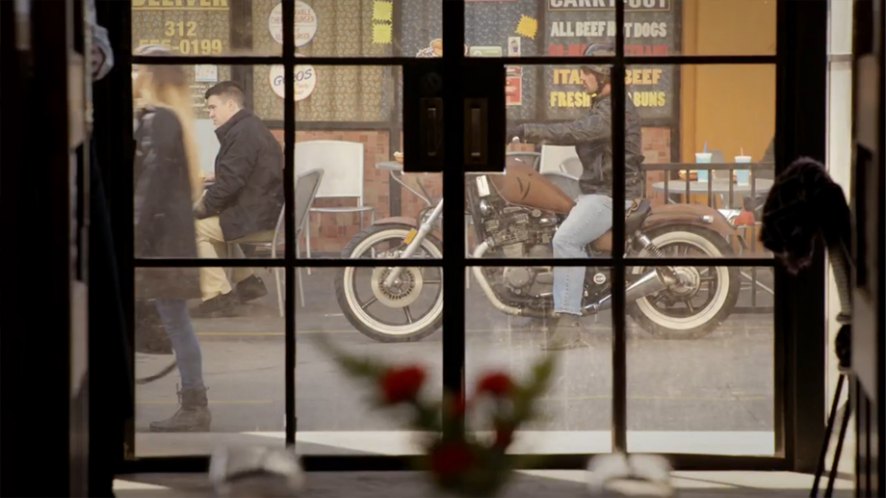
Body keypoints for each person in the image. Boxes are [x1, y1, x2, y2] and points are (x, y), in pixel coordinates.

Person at [508, 44, 645, 349]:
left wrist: (523, 129)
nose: (581, 78)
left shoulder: (614, 108)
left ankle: (568, 323)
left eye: (586, 73)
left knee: (566, 240)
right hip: (598, 190)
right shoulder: (605, 105)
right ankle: (544, 302)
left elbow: (577, 131)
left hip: (613, 194)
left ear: (603, 74)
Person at [133, 48, 211, 431]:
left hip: (159, 241)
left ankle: (195, 406)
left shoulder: (157, 120)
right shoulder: (171, 118)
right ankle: (195, 404)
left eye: (138, 70)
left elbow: (150, 184)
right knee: (176, 321)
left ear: (150, 78)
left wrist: (133, 233)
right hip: (171, 238)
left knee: (176, 322)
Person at [191, 81, 284, 317]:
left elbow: (230, 183)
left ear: (231, 105)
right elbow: (240, 174)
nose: (210, 114)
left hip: (256, 219)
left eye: (213, 108)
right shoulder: (250, 128)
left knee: (196, 228)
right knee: (218, 221)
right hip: (263, 212)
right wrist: (216, 180)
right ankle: (247, 282)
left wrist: (199, 209)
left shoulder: (243, 134)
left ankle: (217, 296)